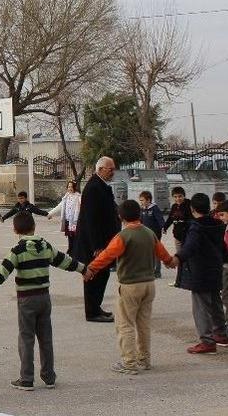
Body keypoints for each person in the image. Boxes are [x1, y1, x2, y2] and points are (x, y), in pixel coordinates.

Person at [0, 211, 87, 391]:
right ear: (34, 227)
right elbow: (64, 261)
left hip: (26, 300)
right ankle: (49, 376)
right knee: (46, 338)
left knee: (26, 338)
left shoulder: (17, 250)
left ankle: (27, 379)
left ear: (15, 230)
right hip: (44, 298)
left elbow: (3, 271)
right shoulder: (45, 246)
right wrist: (84, 269)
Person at [85, 200, 176, 374]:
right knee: (143, 324)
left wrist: (91, 269)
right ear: (139, 214)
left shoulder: (123, 236)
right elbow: (162, 253)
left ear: (120, 216)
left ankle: (129, 363)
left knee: (125, 324)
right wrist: (171, 262)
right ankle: (144, 360)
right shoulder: (149, 233)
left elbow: (107, 256)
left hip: (130, 285)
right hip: (149, 284)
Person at [173, 193, 228, 354]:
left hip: (200, 271)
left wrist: (177, 258)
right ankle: (221, 333)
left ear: (192, 209)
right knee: (216, 301)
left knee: (201, 306)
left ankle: (206, 340)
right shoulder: (218, 224)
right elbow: (223, 248)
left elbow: (190, 246)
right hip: (215, 268)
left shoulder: (196, 227)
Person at [74, 156, 121, 323]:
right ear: (100, 169)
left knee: (103, 275)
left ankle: (96, 307)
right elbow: (91, 219)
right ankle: (92, 312)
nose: (113, 172)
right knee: (94, 276)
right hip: (94, 245)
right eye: (110, 169)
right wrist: (97, 246)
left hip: (103, 242)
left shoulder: (100, 185)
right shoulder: (94, 187)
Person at [47, 181, 81, 254]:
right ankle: (71, 251)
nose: (70, 188)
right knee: (70, 237)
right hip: (68, 221)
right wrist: (49, 214)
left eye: (71, 187)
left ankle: (74, 252)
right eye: (68, 187)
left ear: (74, 187)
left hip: (75, 222)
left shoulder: (78, 197)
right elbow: (59, 207)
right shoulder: (66, 197)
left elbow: (84, 208)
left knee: (75, 237)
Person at [139, 191, 166, 279]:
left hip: (155, 234)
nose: (141, 202)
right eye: (140, 200)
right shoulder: (142, 209)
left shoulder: (154, 208)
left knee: (156, 253)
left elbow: (160, 219)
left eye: (142, 200)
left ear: (148, 200)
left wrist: (163, 227)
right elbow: (140, 221)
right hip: (145, 234)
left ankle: (157, 272)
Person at [164, 186, 193, 254]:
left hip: (187, 236)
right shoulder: (174, 206)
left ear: (184, 196)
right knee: (180, 255)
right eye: (175, 197)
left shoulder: (189, 205)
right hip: (177, 236)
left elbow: (193, 219)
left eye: (180, 196)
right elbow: (170, 218)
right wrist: (165, 227)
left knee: (188, 255)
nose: (178, 199)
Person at [214, 202, 228, 320]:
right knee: (224, 295)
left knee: (225, 296)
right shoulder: (223, 227)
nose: (220, 218)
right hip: (224, 265)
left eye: (222, 215)